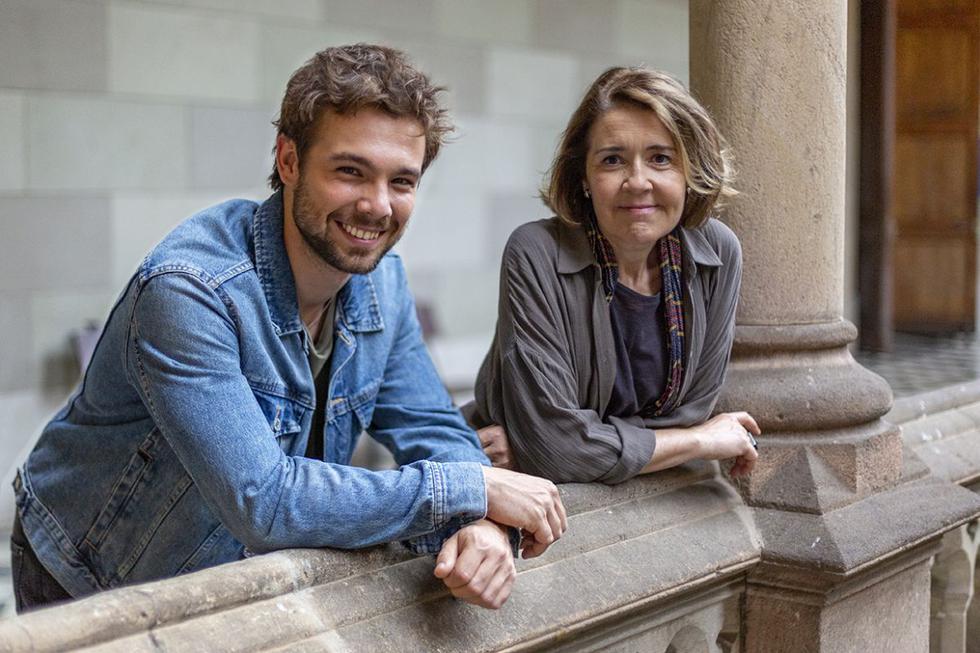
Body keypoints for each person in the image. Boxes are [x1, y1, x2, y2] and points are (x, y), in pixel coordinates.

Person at [11, 44, 566, 613]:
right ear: (288, 160)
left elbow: (428, 422)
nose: (377, 206)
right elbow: (264, 500)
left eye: (402, 181)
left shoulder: (384, 283)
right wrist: (472, 489)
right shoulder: (190, 291)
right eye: (351, 171)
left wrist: (479, 522)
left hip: (230, 572)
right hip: (91, 572)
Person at [466, 67, 760, 484]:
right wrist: (699, 442)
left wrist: (560, 441)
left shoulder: (718, 252)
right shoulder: (535, 252)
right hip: (499, 479)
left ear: (689, 172)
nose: (637, 182)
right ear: (584, 177)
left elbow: (693, 410)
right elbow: (557, 451)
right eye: (612, 160)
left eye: (661, 158)